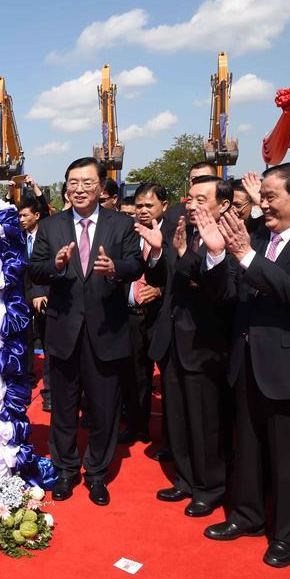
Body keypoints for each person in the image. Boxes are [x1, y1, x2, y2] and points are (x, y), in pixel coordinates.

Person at [200, 163, 290, 568]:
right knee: (249, 450)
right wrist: (219, 256)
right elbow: (230, 295)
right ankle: (247, 516)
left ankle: (285, 536)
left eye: (271, 197)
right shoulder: (256, 235)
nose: (262, 205)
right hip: (247, 361)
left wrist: (246, 256)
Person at [29, 157, 145, 506]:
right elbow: (35, 270)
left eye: (87, 182)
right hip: (64, 332)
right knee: (62, 408)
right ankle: (65, 470)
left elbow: (135, 263)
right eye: (73, 182)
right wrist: (57, 266)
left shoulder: (121, 225)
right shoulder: (51, 227)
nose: (79, 189)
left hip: (106, 332)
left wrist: (115, 269)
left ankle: (97, 473)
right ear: (66, 187)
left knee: (103, 408)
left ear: (100, 187)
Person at [145, 176, 234, 518]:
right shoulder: (180, 231)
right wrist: (158, 252)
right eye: (191, 198)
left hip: (205, 343)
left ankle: (209, 488)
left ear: (223, 204)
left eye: (202, 199)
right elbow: (162, 277)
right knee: (178, 418)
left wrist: (184, 256)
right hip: (173, 340)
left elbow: (218, 289)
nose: (193, 205)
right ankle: (184, 478)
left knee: (205, 421)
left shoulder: (228, 236)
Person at [118, 183, 166, 446]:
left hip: (158, 316)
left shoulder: (172, 235)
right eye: (139, 206)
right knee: (134, 374)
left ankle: (167, 435)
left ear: (164, 206)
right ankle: (136, 425)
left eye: (150, 205)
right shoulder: (128, 235)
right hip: (130, 315)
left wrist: (159, 290)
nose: (143, 211)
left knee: (162, 377)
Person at [19, 195, 51, 411]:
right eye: (19, 215)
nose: (21, 219)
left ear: (37, 216)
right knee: (25, 339)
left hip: (45, 296)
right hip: (22, 295)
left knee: (48, 342)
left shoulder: (48, 234)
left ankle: (49, 391)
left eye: (25, 215)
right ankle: (26, 379)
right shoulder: (18, 237)